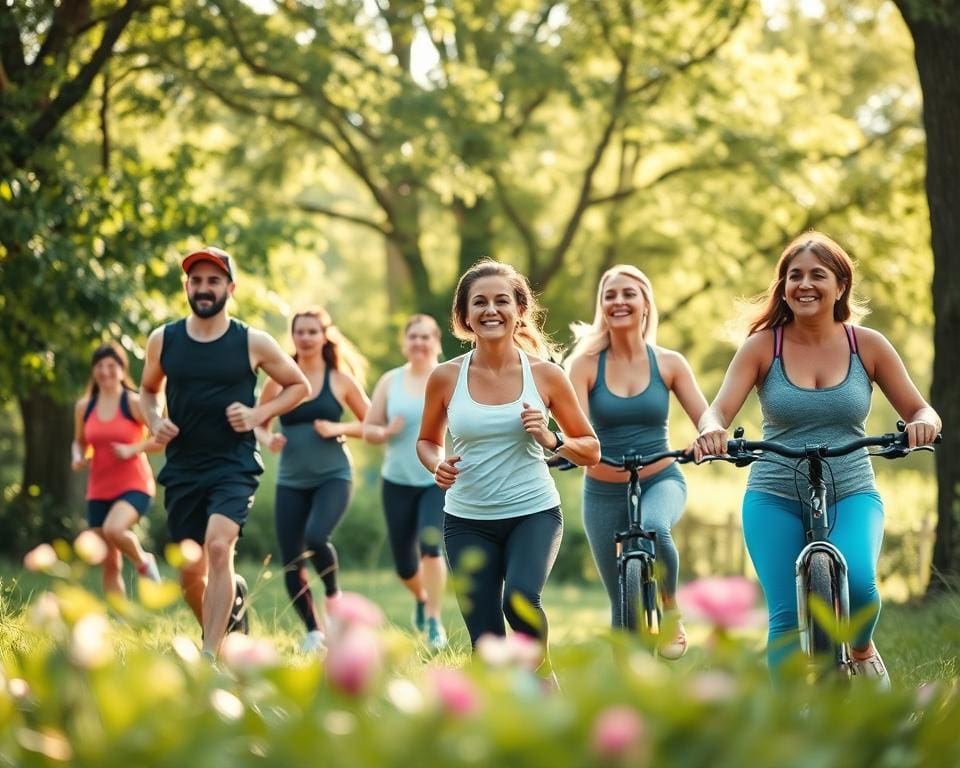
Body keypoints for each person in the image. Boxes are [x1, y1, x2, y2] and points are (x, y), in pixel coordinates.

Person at [694, 231, 941, 686]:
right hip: (773, 493)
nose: (804, 285)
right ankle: (788, 729)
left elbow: (920, 409)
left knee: (863, 590)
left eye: (817, 275)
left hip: (851, 488)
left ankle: (862, 648)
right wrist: (712, 429)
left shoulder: (866, 345)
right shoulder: (762, 346)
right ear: (783, 286)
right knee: (785, 618)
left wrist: (925, 423)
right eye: (794, 276)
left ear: (840, 285)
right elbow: (718, 409)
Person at [417, 260, 600, 677]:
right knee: (485, 641)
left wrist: (552, 439)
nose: (490, 310)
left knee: (519, 598)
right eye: (479, 303)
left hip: (533, 512)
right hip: (467, 519)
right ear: (464, 316)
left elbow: (591, 449)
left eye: (502, 301)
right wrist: (437, 465)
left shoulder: (546, 376)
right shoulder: (445, 377)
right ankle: (500, 717)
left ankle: (543, 679)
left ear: (520, 310)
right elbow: (427, 441)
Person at [140, 246, 310, 659]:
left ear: (229, 288)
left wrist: (258, 414)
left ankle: (210, 657)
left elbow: (299, 385)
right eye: (196, 281)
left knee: (219, 547)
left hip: (232, 464)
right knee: (189, 570)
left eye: (213, 281)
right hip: (182, 466)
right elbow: (147, 390)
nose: (203, 288)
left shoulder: (251, 341)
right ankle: (229, 626)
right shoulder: (164, 339)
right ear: (186, 287)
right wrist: (154, 419)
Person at [566, 265, 708, 657]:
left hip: (661, 479)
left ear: (646, 304)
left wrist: (707, 437)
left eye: (629, 293)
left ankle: (671, 612)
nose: (619, 302)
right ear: (602, 307)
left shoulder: (668, 363)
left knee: (654, 528)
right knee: (621, 606)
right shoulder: (583, 365)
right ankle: (631, 690)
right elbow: (573, 426)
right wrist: (563, 447)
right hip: (602, 490)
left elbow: (706, 418)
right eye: (610, 295)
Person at [254, 307, 370, 653]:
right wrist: (267, 439)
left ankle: (334, 597)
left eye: (311, 331)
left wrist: (338, 427)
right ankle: (313, 632)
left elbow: (372, 423)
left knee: (316, 536)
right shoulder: (279, 378)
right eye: (299, 332)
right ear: (293, 337)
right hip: (291, 479)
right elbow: (260, 420)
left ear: (324, 335)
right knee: (292, 559)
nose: (304, 338)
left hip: (334, 475)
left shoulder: (339, 380)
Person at [363, 314, 448, 650]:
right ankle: (422, 598)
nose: (419, 343)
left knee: (431, 547)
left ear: (437, 341)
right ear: (405, 343)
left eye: (426, 336)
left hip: (435, 479)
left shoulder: (449, 377)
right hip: (396, 480)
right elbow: (368, 429)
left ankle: (435, 621)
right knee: (403, 564)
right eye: (413, 337)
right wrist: (384, 432)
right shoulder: (390, 381)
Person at [71, 341, 162, 594]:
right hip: (99, 488)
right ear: (94, 371)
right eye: (100, 366)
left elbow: (160, 437)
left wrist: (133, 449)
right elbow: (78, 442)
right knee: (109, 562)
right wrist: (78, 457)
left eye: (111, 365)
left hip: (134, 485)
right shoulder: (84, 407)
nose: (105, 371)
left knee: (114, 529)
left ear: (122, 370)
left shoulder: (132, 402)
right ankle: (118, 620)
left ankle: (144, 561)